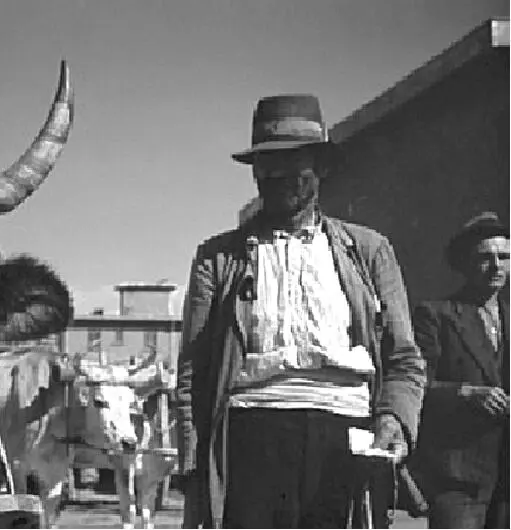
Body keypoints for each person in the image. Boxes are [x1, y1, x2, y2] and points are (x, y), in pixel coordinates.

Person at [175, 94, 426, 528]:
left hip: (345, 435)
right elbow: (193, 373)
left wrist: (394, 421)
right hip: (250, 436)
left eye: (295, 161)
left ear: (322, 166)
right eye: (267, 163)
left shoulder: (367, 251)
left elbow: (404, 358)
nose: (278, 174)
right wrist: (194, 463)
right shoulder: (218, 258)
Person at [410, 212, 509, 528]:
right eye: (484, 257)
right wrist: (465, 393)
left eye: (504, 256)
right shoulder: (436, 316)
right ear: (464, 264)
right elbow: (415, 383)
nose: (496, 266)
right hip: (459, 475)